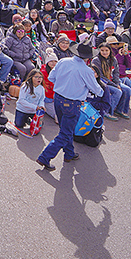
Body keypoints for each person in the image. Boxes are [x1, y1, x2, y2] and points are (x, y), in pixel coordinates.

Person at [36, 43, 105, 171]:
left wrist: (63, 85)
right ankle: (45, 156)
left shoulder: (63, 61)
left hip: (58, 98)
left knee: (65, 129)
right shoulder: (86, 70)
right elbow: (96, 89)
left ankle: (69, 153)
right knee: (65, 132)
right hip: (72, 102)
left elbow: (51, 77)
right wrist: (102, 91)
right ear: (88, 57)